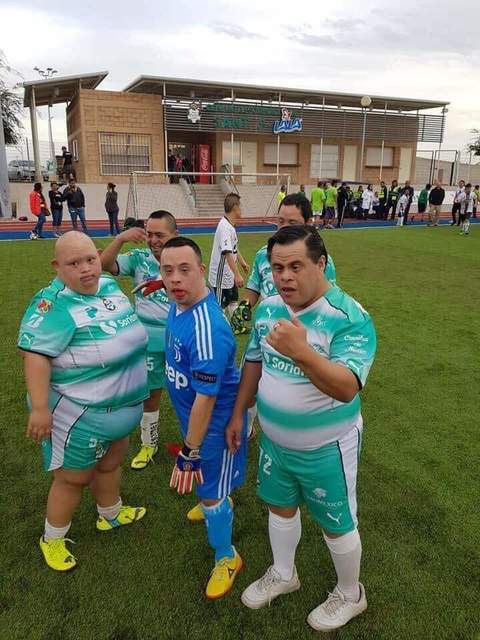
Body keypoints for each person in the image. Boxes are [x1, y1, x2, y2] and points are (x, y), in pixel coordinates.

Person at [227, 225, 376, 631]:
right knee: (279, 505)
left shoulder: (348, 317)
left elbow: (346, 388)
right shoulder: (268, 309)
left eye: (296, 266)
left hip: (327, 445)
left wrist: (302, 352)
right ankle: (283, 572)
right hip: (275, 443)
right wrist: (240, 413)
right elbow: (254, 362)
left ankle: (351, 594)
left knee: (336, 522)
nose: (285, 277)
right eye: (278, 268)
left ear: (320, 264)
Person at [18, 231, 149, 572]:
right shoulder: (54, 304)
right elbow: (34, 355)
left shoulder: (109, 285)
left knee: (110, 464)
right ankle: (53, 538)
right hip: (81, 414)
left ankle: (110, 513)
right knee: (72, 478)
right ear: (57, 266)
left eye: (90, 259)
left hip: (122, 407)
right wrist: (40, 407)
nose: (86, 269)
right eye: (74, 263)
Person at [160, 236, 247, 599]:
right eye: (167, 271)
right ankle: (214, 495)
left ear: (201, 270)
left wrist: (190, 451)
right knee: (208, 484)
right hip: (193, 419)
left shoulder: (207, 328)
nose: (174, 279)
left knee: (211, 491)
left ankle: (227, 556)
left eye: (184, 270)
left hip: (214, 427)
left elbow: (206, 399)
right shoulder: (178, 302)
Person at [100, 210, 177, 470]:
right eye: (150, 234)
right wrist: (121, 238)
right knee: (151, 394)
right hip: (148, 342)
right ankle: (148, 443)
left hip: (180, 339)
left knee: (189, 392)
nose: (154, 240)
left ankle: (194, 442)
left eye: (160, 235)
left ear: (174, 235)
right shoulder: (139, 258)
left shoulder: (184, 258)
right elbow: (104, 264)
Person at [208, 193, 250, 319]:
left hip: (229, 273)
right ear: (235, 207)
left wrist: (242, 262)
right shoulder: (225, 227)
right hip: (220, 276)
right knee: (219, 306)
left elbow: (233, 248)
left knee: (233, 300)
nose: (241, 209)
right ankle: (219, 327)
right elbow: (227, 252)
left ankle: (236, 325)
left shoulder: (230, 226)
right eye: (240, 206)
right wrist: (237, 274)